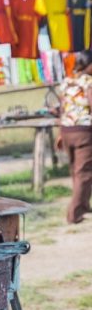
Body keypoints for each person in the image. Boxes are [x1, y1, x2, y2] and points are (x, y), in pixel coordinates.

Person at [56, 49, 92, 223]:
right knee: (84, 173)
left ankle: (83, 206)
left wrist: (59, 134)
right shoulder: (88, 82)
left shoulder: (67, 81)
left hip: (67, 130)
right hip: (84, 132)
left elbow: (61, 109)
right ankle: (75, 214)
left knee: (75, 172)